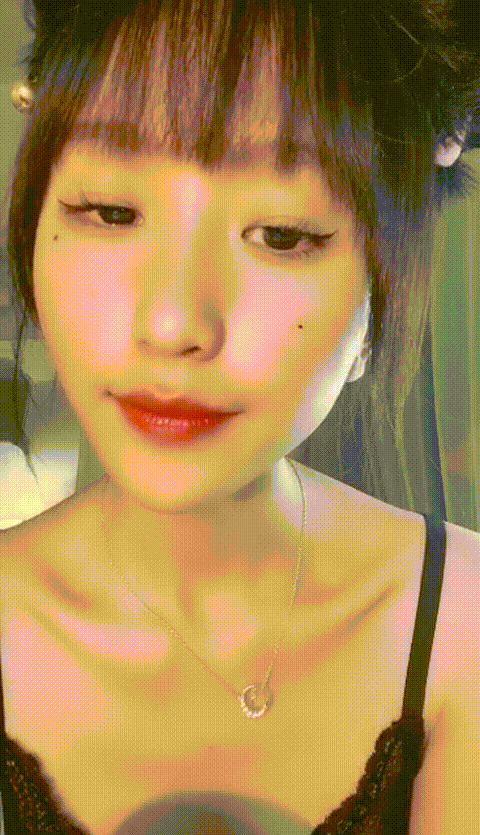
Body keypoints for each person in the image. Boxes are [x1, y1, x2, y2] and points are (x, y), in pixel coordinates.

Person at [1, 1, 479, 833]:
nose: (172, 325)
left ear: (384, 285)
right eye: (111, 211)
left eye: (281, 234)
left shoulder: (461, 622)